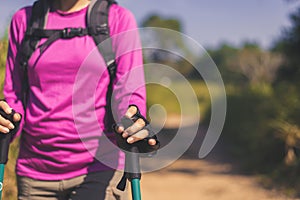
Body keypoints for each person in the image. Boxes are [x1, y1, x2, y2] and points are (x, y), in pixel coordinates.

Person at [0, 0, 157, 199]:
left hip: (100, 170)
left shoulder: (117, 19)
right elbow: (14, 96)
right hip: (35, 173)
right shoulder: (24, 20)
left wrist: (131, 122)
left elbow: (127, 91)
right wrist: (6, 121)